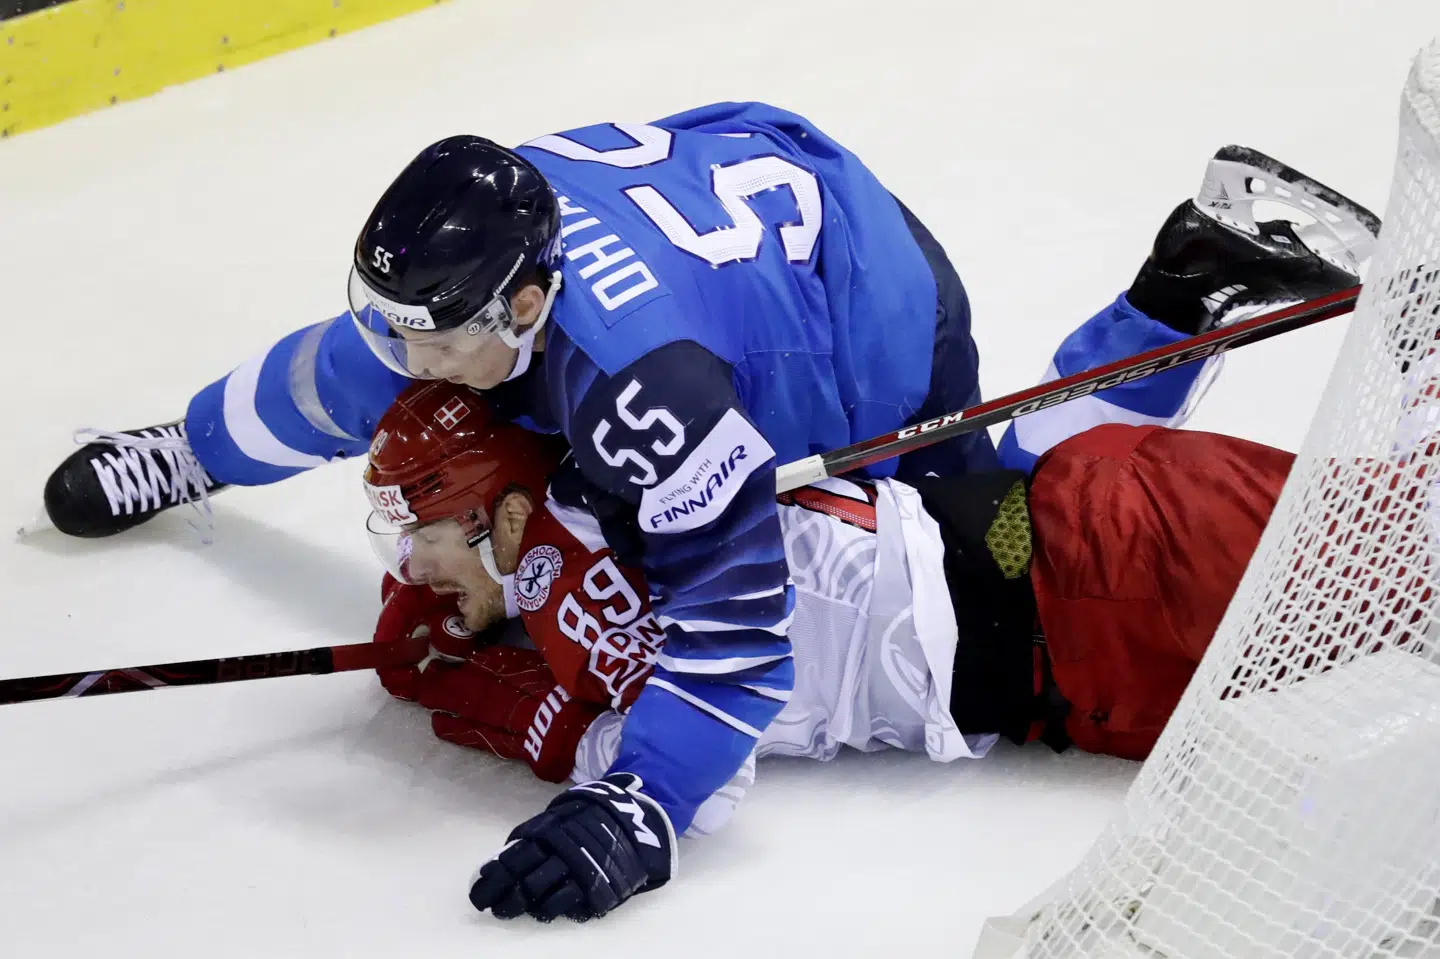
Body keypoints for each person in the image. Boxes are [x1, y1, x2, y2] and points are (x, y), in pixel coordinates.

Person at [39, 105, 1376, 922]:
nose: (406, 360)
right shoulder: (454, 305)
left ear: (522, 307)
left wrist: (640, 806)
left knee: (950, 507)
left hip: (849, 300)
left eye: (436, 340)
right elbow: (323, 375)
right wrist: (187, 450)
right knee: (988, 524)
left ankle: (1174, 296)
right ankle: (1191, 275)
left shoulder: (642, 387)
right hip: (740, 192)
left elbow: (740, 636)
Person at [357, 367, 1440, 924]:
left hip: (1114, 563)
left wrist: (527, 715)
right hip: (1085, 634)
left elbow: (702, 764)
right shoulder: (575, 542)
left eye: (421, 525)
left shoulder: (572, 560)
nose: (408, 564)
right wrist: (526, 687)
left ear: (495, 511)